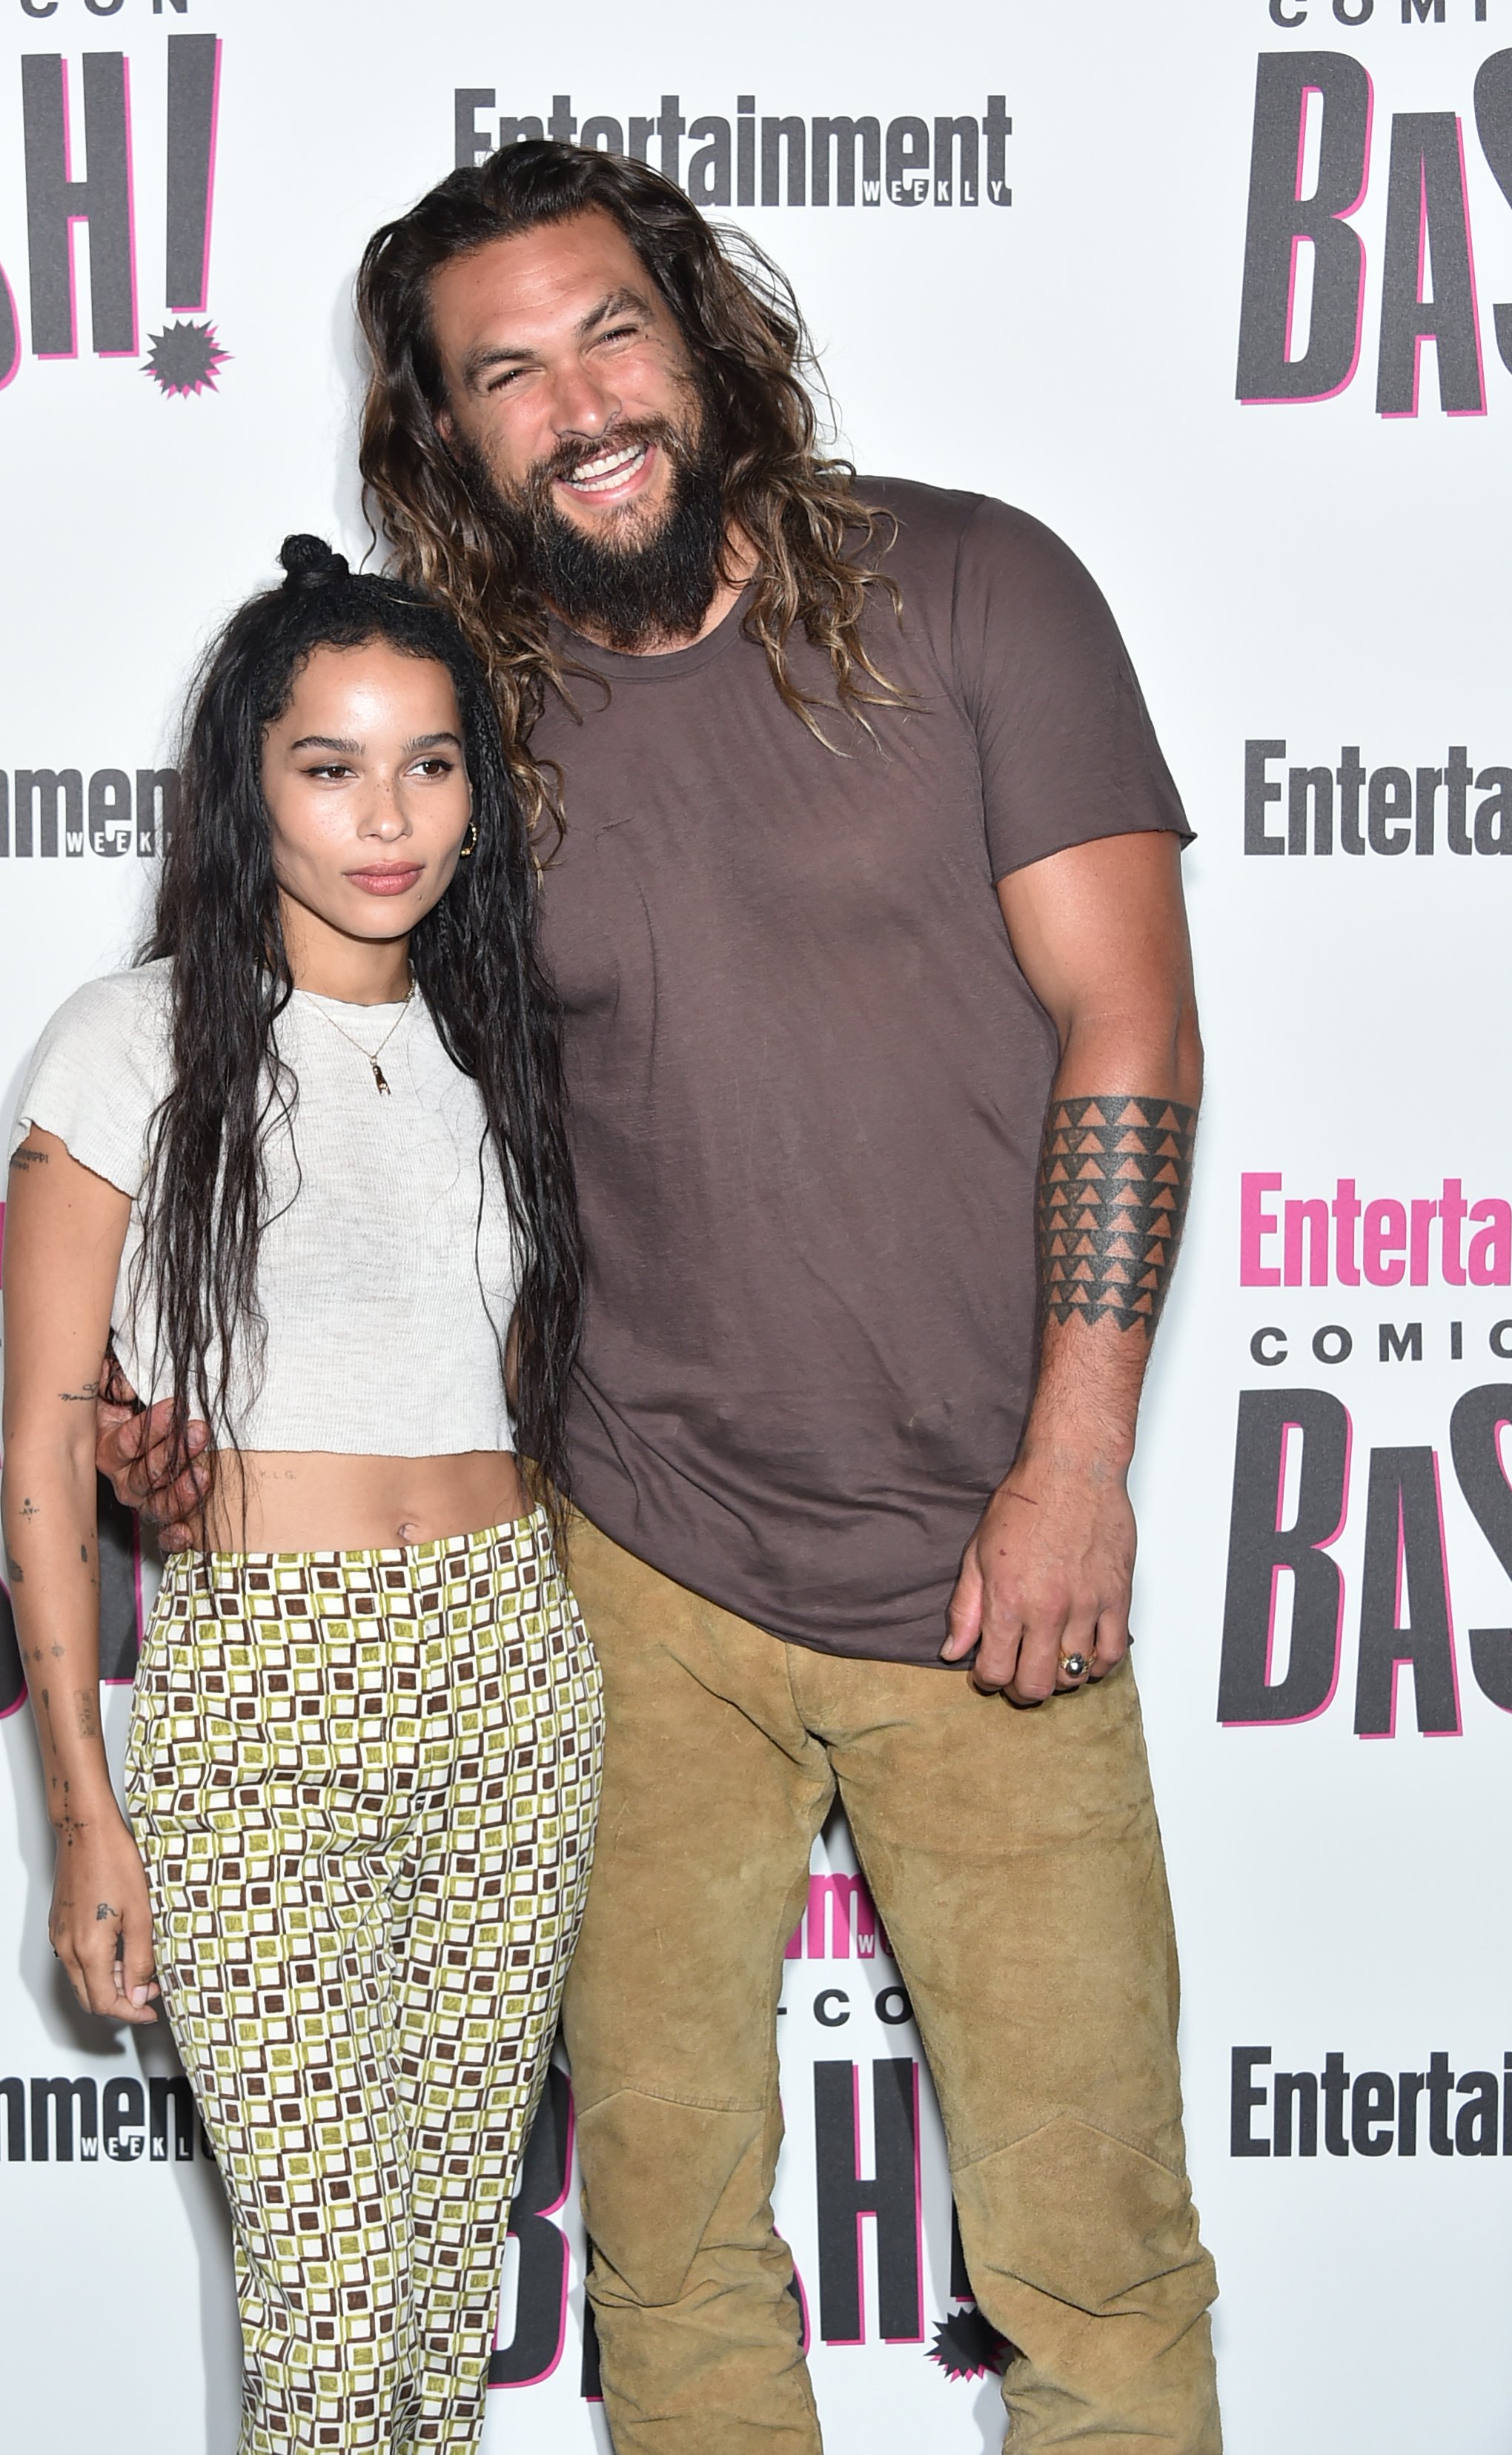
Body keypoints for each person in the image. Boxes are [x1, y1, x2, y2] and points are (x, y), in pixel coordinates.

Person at [103, 143, 1219, 2454]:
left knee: (1094, 2258)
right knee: (676, 2263)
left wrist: (1078, 1462)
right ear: (443, 432)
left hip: (988, 1567)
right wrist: (185, 1390)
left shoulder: (981, 587)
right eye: (503, 373)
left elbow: (1133, 1028)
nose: (579, 400)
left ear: (700, 328)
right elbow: (329, 1071)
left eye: (611, 329)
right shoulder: (464, 724)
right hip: (622, 1575)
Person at [0, 535, 602, 2455]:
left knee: (436, 2311)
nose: (387, 815)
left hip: (512, 1675)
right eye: (330, 765)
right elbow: (42, 1444)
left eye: (430, 763)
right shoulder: (132, 1040)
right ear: (246, 781)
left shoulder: (497, 1052)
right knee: (335, 2327)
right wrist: (83, 1818)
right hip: (267, 1697)